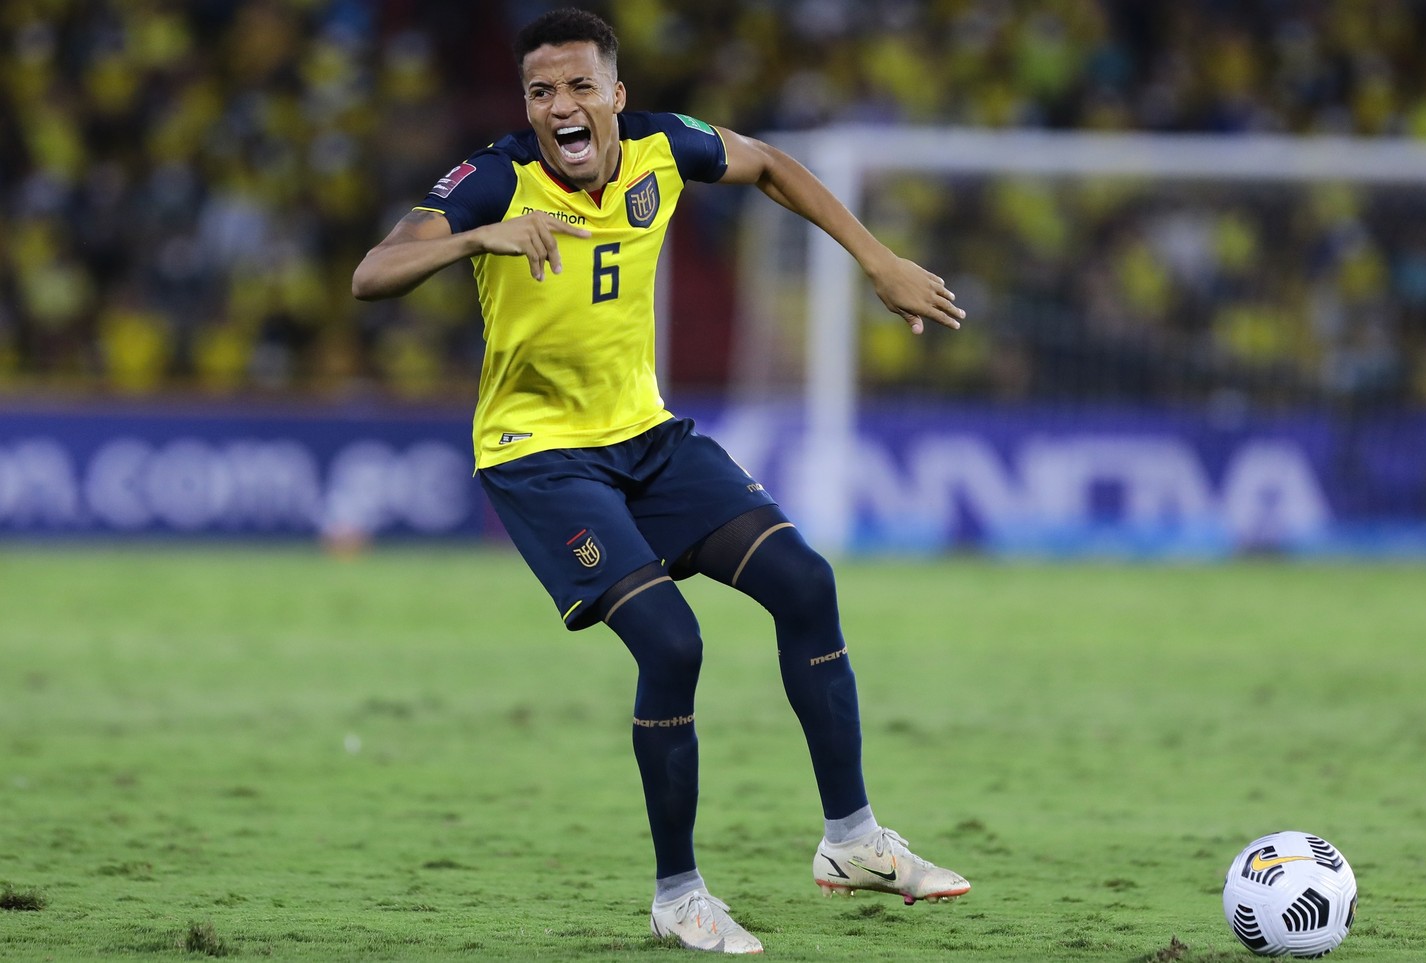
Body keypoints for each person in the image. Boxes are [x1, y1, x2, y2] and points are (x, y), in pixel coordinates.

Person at [352, 8, 969, 954]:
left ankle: (852, 840)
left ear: (616, 95)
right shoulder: (491, 180)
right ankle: (678, 894)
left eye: (579, 86)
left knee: (805, 581)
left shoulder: (661, 148)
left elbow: (767, 163)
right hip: (539, 456)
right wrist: (478, 241)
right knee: (673, 646)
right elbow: (373, 273)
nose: (561, 105)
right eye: (541, 91)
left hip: (647, 437)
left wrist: (878, 261)